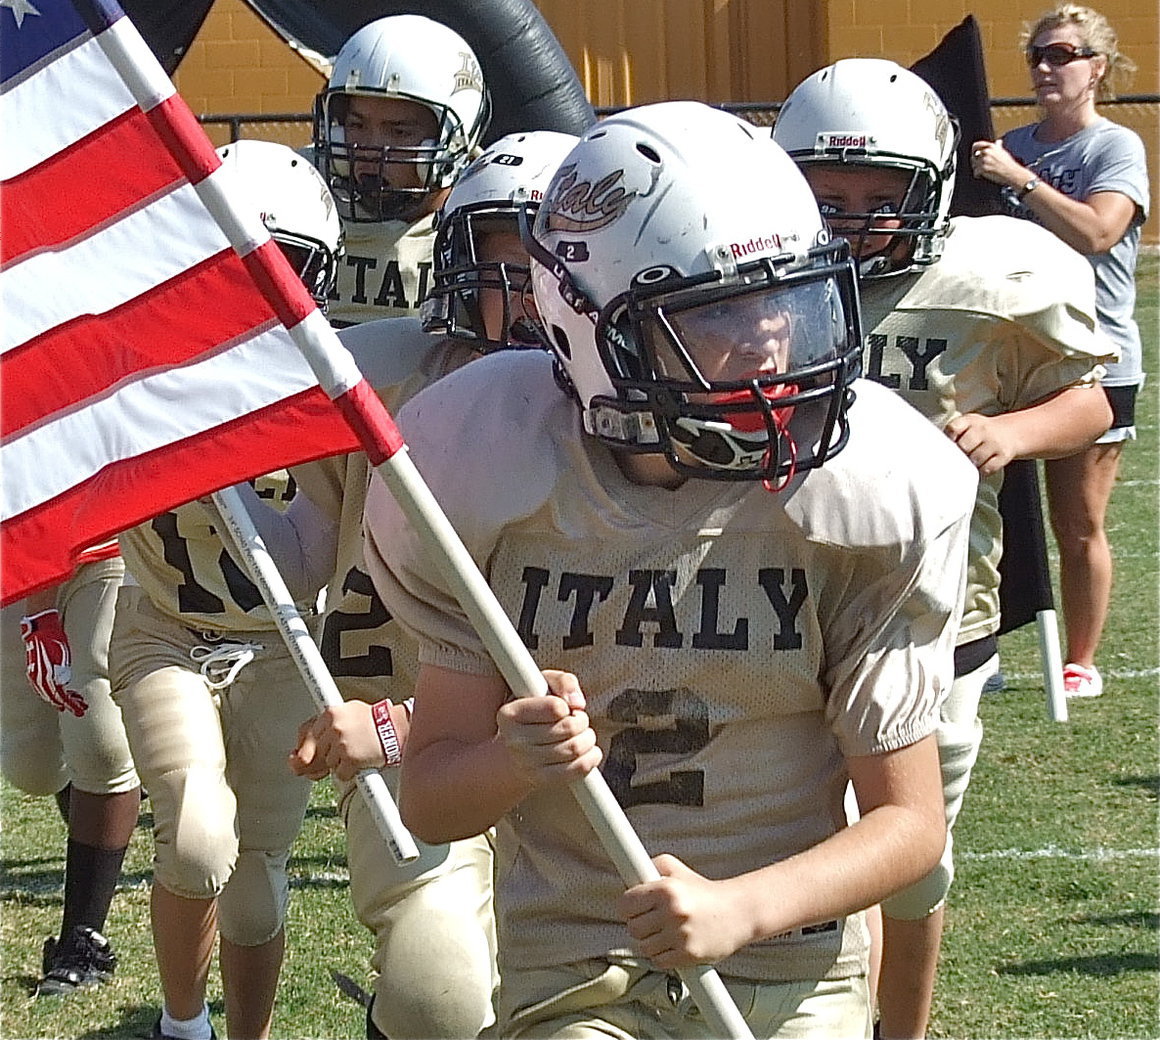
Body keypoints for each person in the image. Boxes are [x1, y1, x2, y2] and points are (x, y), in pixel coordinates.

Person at [363, 102, 980, 1040]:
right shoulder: (483, 462)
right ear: (592, 329)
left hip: (789, 970)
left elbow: (911, 825)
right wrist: (510, 762)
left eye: (787, 299)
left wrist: (745, 908)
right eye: (720, 311)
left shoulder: (869, 489)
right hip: (580, 965)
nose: (771, 341)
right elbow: (434, 799)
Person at [773, 58, 1114, 1040]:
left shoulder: (988, 277)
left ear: (929, 189)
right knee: (805, 847)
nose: (851, 221)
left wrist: (1012, 431)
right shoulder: (758, 279)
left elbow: (1090, 403)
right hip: (781, 604)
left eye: (878, 198)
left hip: (937, 615)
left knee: (909, 867)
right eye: (827, 198)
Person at [236, 130, 578, 1039]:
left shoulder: (657, 427)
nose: (531, 304)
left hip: (601, 764)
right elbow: (307, 555)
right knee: (439, 990)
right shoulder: (375, 376)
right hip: (413, 749)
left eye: (555, 274)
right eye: (507, 272)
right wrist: (205, 476)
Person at [109, 141, 342, 1040]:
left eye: (271, 267)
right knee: (199, 836)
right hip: (166, 625)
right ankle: (183, 1026)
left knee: (258, 874)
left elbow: (336, 548)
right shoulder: (136, 370)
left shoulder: (332, 382)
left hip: (284, 639)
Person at [972, 2, 1150, 700]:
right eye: (1038, 55)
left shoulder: (1114, 148)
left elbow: (1098, 233)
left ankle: (1080, 660)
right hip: (1011, 355)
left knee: (1076, 524)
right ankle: (981, 647)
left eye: (1063, 55)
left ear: (1097, 68)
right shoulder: (1011, 142)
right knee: (986, 514)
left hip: (1094, 360)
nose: (1047, 67)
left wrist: (1021, 180)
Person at [1, 547, 141, 997]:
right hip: (15, 549)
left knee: (100, 737)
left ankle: (82, 940)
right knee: (33, 768)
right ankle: (91, 807)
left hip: (104, 538)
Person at [312, 13, 491, 326]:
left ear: (452, 140)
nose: (370, 150)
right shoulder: (300, 198)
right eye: (356, 125)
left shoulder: (487, 221)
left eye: (399, 132)